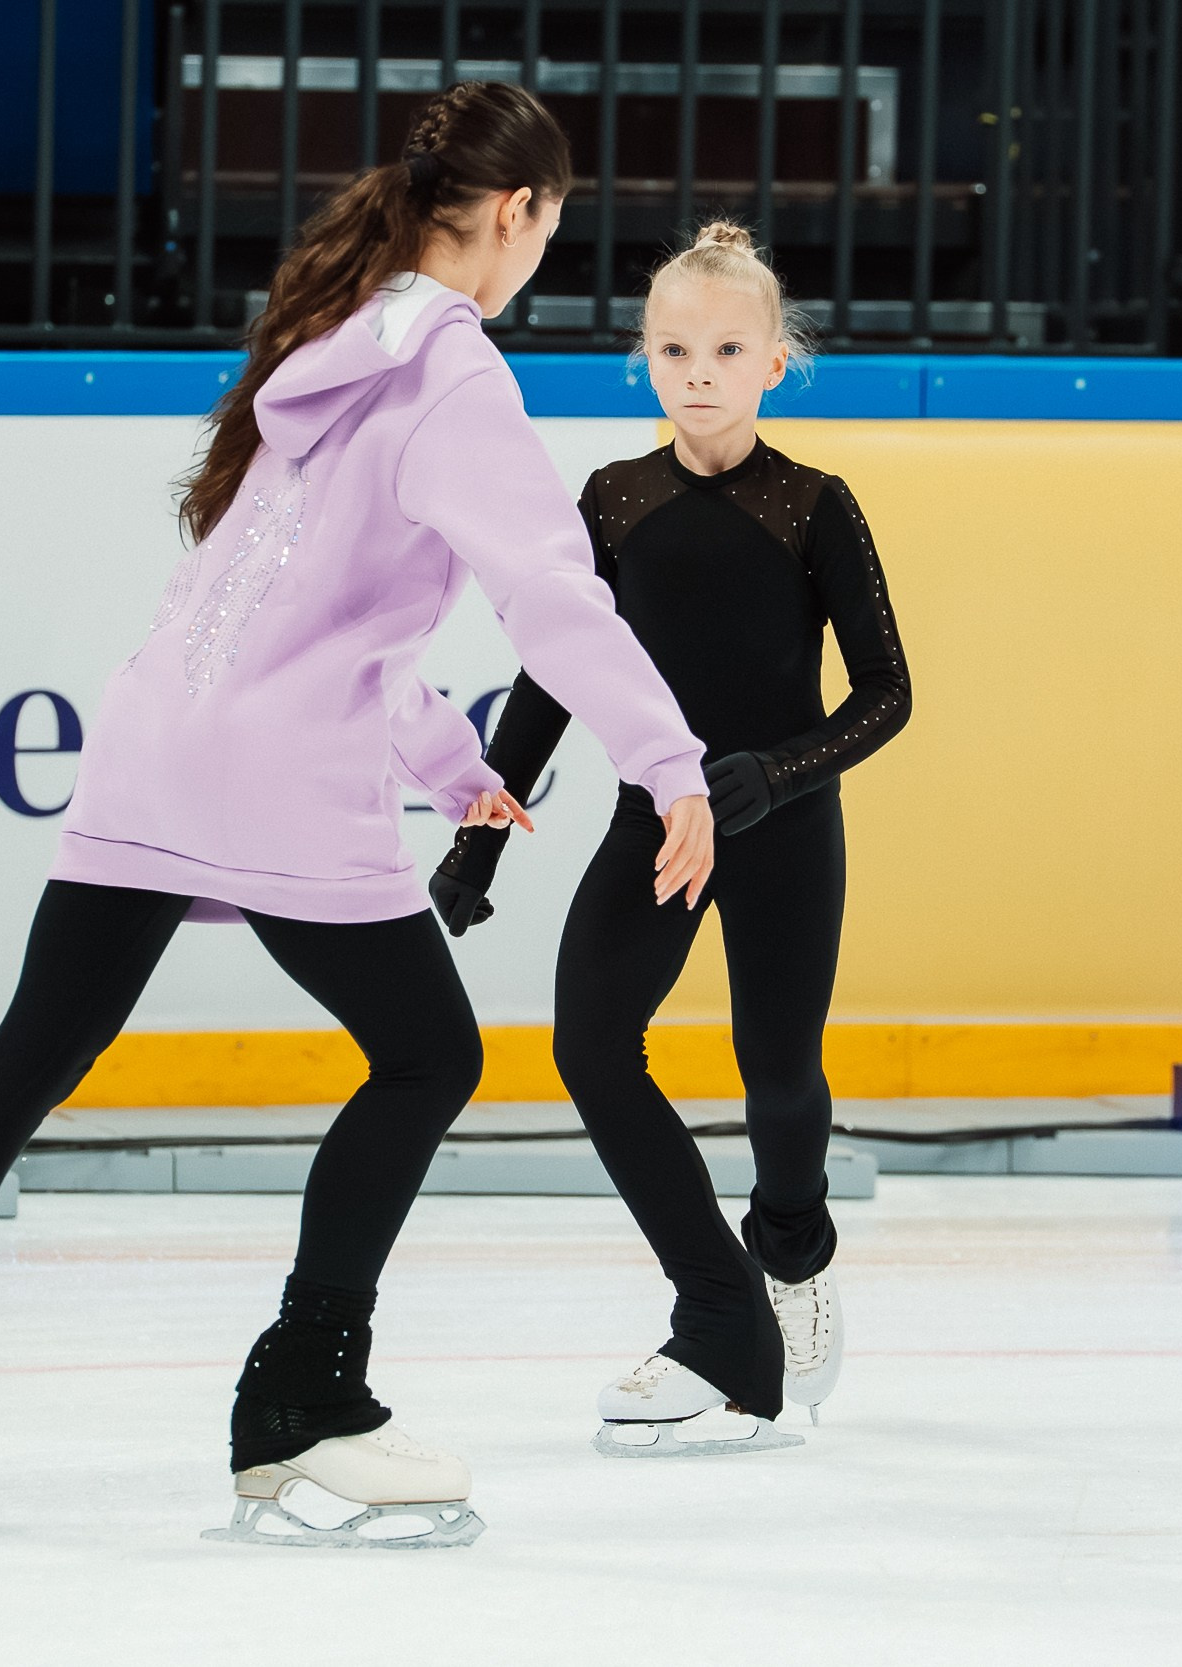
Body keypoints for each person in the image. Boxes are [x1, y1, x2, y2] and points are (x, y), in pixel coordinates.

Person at [0, 83, 715, 1548]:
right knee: (429, 1052)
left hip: (154, 739)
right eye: (554, 225)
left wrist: (453, 763)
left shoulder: (331, 335)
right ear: (518, 213)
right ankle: (305, 1399)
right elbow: (551, 596)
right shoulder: (452, 372)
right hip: (273, 776)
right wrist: (671, 761)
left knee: (29, 1055)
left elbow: (310, 609)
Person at [431, 222, 910, 1457]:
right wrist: (487, 820)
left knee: (776, 1065)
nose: (698, 370)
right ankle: (718, 1294)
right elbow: (554, 669)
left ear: (774, 363)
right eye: (674, 347)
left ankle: (791, 1253)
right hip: (655, 820)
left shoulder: (816, 505)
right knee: (591, 1045)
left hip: (783, 823)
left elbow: (885, 695)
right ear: (645, 358)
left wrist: (774, 773)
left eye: (727, 348)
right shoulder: (614, 499)